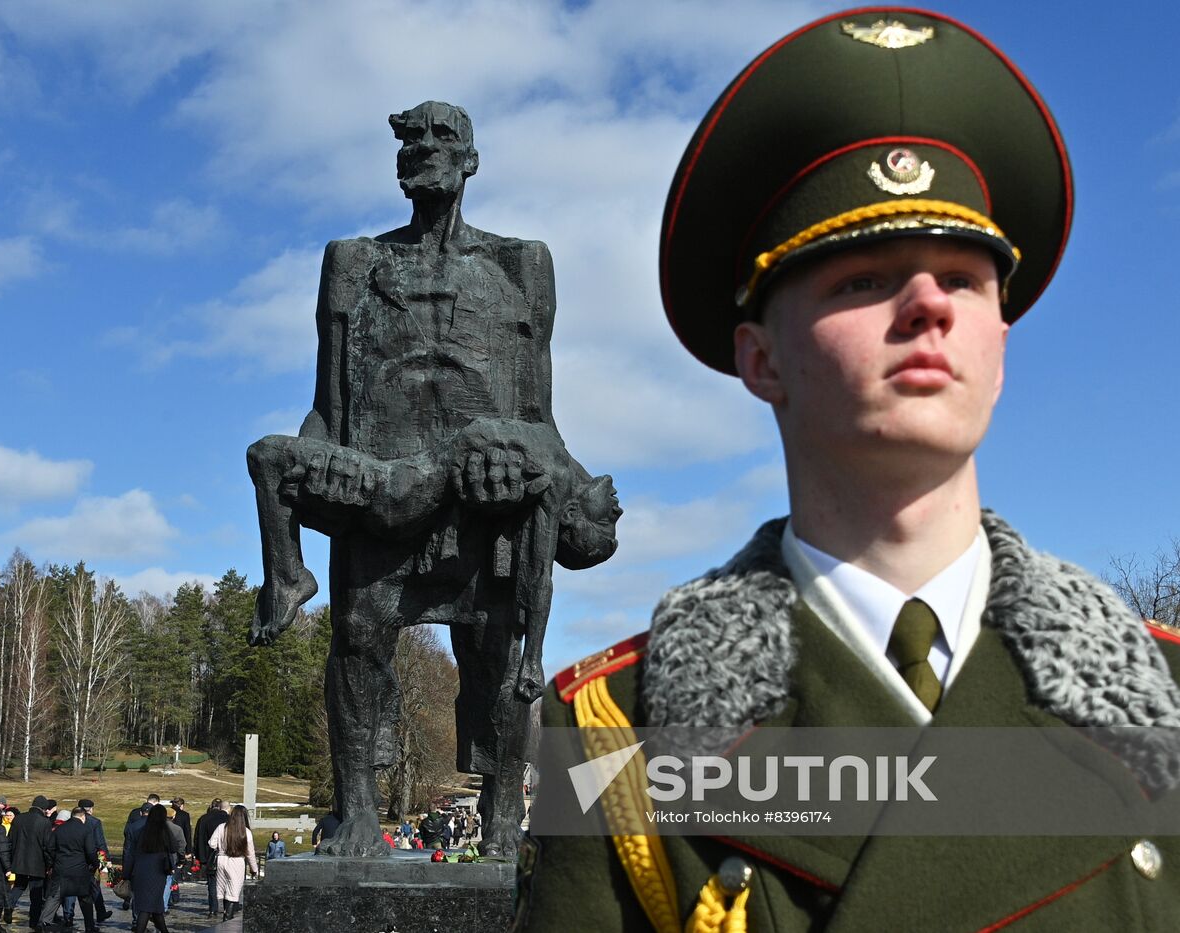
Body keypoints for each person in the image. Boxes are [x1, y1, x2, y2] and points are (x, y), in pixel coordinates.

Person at [513, 7, 1180, 931]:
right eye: (861, 277)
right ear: (761, 359)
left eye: (963, 277)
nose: (925, 304)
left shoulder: (1161, 699)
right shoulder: (616, 730)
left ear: (1000, 338)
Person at [246, 99, 619, 859]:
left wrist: (577, 490)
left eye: (440, 136)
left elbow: (538, 409)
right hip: (383, 490)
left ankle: (503, 818)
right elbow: (328, 404)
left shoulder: (523, 264)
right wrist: (309, 472)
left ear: (470, 159)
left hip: (491, 502)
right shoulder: (354, 261)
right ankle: (357, 811)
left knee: (497, 656)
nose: (421, 148)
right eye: (409, 139)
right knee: (357, 641)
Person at [39, 808, 97, 933]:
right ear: (83, 817)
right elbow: (91, 851)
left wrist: (55, 860)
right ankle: (89, 926)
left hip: (61, 867)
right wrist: (94, 864)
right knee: (85, 898)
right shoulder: (86, 830)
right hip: (80, 869)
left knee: (55, 896)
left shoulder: (60, 829)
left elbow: (49, 847)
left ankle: (44, 920)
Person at [121, 806, 176, 933]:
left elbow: (131, 853)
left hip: (141, 870)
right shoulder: (164, 831)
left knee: (154, 906)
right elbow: (173, 848)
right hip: (158, 872)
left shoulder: (140, 830)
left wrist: (127, 874)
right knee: (148, 907)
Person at [6, 796, 54, 931]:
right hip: (37, 863)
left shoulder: (18, 819)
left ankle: (9, 905)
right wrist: (49, 864)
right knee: (36, 893)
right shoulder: (44, 822)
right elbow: (47, 846)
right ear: (43, 809)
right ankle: (33, 922)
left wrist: (11, 860)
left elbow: (10, 840)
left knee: (19, 886)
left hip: (19, 860)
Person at [207, 806, 256, 921]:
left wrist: (221, 846)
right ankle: (227, 917)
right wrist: (254, 868)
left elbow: (211, 843)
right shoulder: (246, 832)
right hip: (237, 861)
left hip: (222, 860)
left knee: (225, 889)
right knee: (233, 891)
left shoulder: (221, 827)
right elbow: (250, 853)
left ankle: (226, 913)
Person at [75, 801, 111, 925]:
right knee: (95, 886)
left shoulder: (73, 820)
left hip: (76, 859)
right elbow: (100, 842)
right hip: (92, 860)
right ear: (91, 809)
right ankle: (100, 912)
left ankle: (68, 915)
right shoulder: (95, 822)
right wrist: (106, 859)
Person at [191, 801, 227, 918]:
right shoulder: (228, 818)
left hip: (208, 857)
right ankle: (228, 907)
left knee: (212, 883)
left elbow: (198, 839)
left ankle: (213, 908)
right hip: (226, 855)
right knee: (227, 882)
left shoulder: (204, 819)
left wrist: (199, 857)